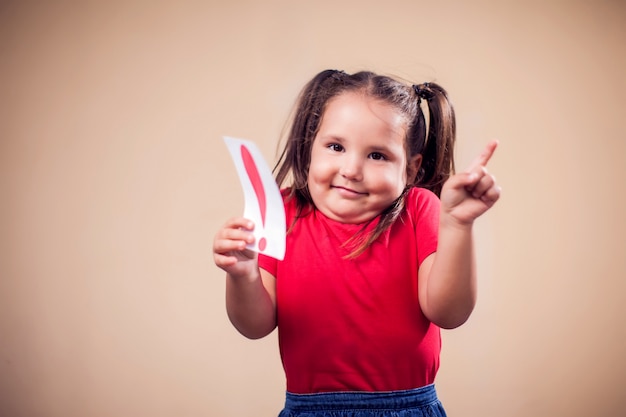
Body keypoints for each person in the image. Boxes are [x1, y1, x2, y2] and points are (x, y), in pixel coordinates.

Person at [213, 69, 501, 416]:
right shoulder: (283, 213)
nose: (351, 169)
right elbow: (254, 326)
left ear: (410, 170)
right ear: (309, 149)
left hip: (407, 408)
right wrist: (243, 275)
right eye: (336, 147)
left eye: (377, 155)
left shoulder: (420, 210)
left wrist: (456, 224)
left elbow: (449, 313)